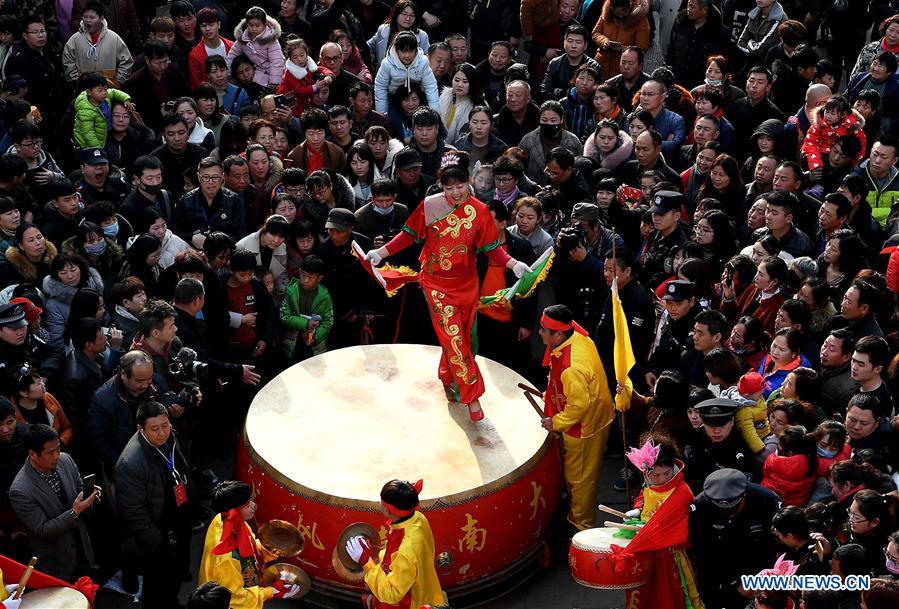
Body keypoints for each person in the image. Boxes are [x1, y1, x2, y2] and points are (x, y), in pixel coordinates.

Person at [365, 151, 531, 420]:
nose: (455, 192)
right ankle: (472, 397)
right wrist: (381, 252)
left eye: (460, 185)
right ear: (441, 186)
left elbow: (492, 249)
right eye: (448, 187)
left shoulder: (480, 211)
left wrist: (514, 264)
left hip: (467, 286)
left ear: (469, 182)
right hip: (436, 286)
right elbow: (409, 235)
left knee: (464, 340)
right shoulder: (430, 205)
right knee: (454, 338)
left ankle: (447, 375)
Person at [537, 304, 613, 531]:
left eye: (543, 330)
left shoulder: (572, 367)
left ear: (558, 334)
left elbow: (579, 406)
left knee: (580, 480)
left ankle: (581, 526)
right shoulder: (579, 338)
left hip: (585, 427)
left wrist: (556, 422)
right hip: (596, 413)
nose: (540, 333)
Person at [115, 401, 194, 609]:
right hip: (157, 530)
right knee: (158, 582)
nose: (162, 433)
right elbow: (133, 511)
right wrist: (156, 541)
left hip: (179, 519)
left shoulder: (171, 438)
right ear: (140, 429)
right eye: (155, 429)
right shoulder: (130, 462)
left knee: (178, 571)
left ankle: (172, 602)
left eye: (165, 425)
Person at [610, 435, 704, 609]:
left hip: (670, 551)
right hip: (647, 543)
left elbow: (681, 525)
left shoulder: (682, 492)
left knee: (673, 591)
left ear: (673, 466)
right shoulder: (649, 482)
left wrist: (649, 528)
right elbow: (644, 496)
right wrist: (638, 509)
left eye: (666, 473)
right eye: (655, 475)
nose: (661, 479)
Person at [7, 424, 97, 583]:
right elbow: (42, 529)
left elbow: (78, 488)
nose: (57, 455)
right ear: (33, 454)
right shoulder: (20, 490)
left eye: (58, 448)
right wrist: (74, 512)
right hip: (56, 564)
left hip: (82, 549)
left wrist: (88, 495)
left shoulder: (65, 460)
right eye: (51, 452)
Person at [689, 468, 781, 609]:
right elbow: (703, 554)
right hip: (720, 576)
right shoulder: (700, 508)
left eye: (734, 509)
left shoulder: (766, 501)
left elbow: (776, 544)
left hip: (759, 575)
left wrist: (764, 578)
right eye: (723, 512)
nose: (730, 516)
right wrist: (735, 582)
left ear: (743, 497)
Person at [344, 479, 445, 609]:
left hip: (408, 601)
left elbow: (392, 594)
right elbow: (395, 556)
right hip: (422, 585)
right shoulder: (417, 518)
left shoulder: (405, 550)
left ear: (387, 509)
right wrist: (375, 554)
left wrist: (366, 561)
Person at [198, 480, 301, 607]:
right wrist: (270, 592)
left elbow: (248, 549)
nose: (253, 505)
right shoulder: (226, 558)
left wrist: (272, 546)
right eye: (247, 505)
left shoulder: (226, 520)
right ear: (234, 512)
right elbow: (236, 598)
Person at [62, 2, 133, 88]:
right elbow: (68, 62)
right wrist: (76, 82)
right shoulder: (75, 39)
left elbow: (127, 61)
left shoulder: (113, 38)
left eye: (92, 17)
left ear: (101, 18)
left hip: (108, 88)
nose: (88, 20)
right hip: (85, 90)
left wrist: (118, 81)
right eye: (85, 17)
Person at [226, 6, 283, 89]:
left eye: (257, 25)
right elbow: (232, 55)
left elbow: (276, 62)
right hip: (257, 74)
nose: (254, 29)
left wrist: (274, 84)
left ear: (265, 24)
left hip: (275, 75)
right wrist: (227, 74)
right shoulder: (243, 39)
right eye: (251, 25)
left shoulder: (271, 39)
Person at [72, 72, 134, 148]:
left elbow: (114, 92)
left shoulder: (105, 97)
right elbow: (88, 134)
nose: (104, 93)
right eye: (100, 90)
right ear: (89, 92)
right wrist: (98, 149)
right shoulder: (86, 111)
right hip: (90, 144)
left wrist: (126, 99)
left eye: (105, 89)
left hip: (105, 133)